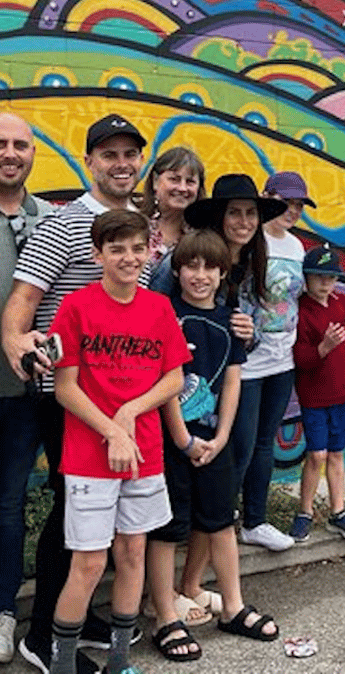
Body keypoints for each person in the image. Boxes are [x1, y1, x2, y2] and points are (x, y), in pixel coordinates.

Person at [1, 113, 148, 674]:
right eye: (109, 155)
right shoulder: (63, 225)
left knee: (98, 519)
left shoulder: (138, 229)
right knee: (74, 514)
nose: (121, 164)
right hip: (69, 399)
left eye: (129, 154)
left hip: (118, 403)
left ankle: (77, 617)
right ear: (89, 163)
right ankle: (43, 636)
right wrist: (15, 339)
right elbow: (22, 301)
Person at [47, 210, 190, 674]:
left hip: (144, 452)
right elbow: (65, 388)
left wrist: (130, 411)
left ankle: (120, 662)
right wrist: (112, 429)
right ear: (98, 255)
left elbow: (173, 378)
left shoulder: (159, 308)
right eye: (116, 249)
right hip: (89, 455)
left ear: (149, 251)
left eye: (137, 248)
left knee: (132, 555)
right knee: (89, 564)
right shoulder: (76, 307)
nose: (128, 258)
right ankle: (63, 665)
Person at [146, 229, 279, 662]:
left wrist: (221, 437)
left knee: (221, 521)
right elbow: (166, 381)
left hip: (213, 441)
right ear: (177, 271)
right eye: (191, 266)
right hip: (172, 441)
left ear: (223, 273)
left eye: (209, 267)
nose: (199, 275)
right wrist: (183, 440)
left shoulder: (230, 320)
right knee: (167, 528)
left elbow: (233, 381)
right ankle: (166, 615)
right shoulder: (166, 316)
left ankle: (233, 606)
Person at [173, 173, 289, 602]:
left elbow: (242, 333)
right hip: (187, 393)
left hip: (234, 378)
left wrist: (248, 334)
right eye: (234, 213)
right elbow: (170, 317)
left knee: (227, 475)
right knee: (201, 486)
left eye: (251, 213)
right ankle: (172, 590)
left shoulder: (251, 260)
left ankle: (191, 583)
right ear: (219, 218)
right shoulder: (197, 259)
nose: (243, 222)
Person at [231, 171, 313, 551]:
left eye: (299, 205)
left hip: (283, 359)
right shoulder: (251, 240)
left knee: (265, 442)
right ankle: (219, 521)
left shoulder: (296, 247)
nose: (292, 211)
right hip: (248, 362)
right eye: (285, 203)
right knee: (241, 444)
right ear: (267, 199)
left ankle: (255, 521)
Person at [0, 114, 55, 664]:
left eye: (20, 144)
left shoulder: (50, 221)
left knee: (9, 505)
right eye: (1, 144)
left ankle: (2, 612)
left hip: (25, 397)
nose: (10, 153)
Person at [289, 245, 345, 542]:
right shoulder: (300, 310)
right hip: (314, 396)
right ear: (306, 278)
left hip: (342, 392)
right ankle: (304, 511)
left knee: (336, 453)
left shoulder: (342, 303)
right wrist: (323, 347)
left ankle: (338, 511)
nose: (325, 283)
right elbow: (300, 358)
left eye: (331, 277)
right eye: (318, 276)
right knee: (316, 454)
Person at [140, 146, 205, 285]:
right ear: (155, 181)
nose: (182, 188)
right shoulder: (136, 225)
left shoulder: (204, 235)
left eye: (190, 182)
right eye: (174, 179)